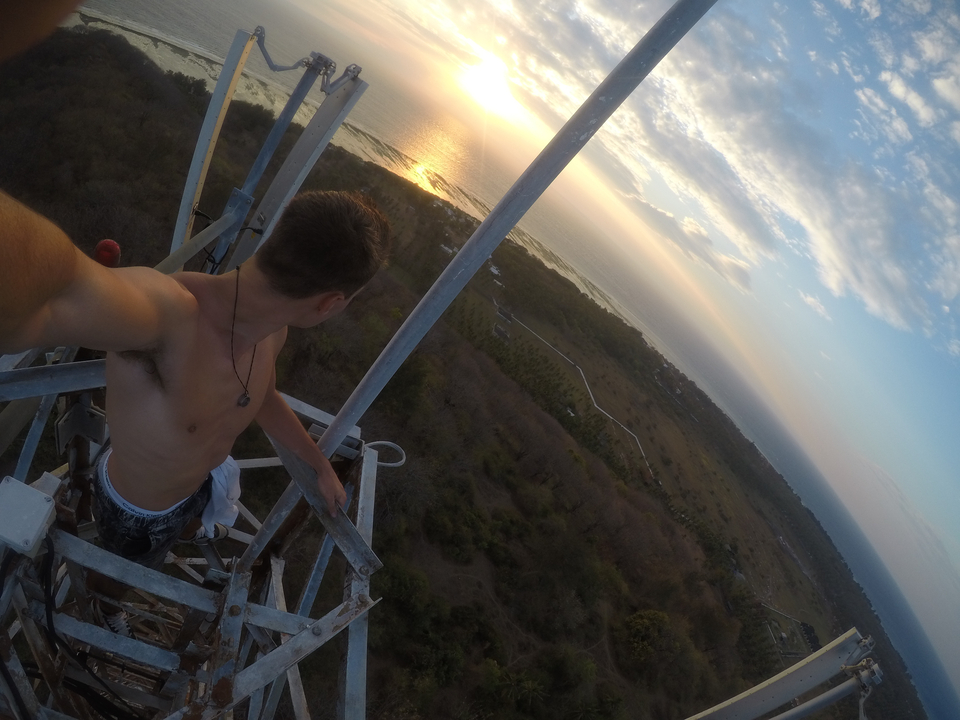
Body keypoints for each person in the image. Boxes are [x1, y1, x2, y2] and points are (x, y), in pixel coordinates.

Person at [0, 189, 391, 631]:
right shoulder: (169, 313)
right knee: (122, 573)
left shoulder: (271, 332)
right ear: (331, 303)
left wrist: (317, 462)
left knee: (197, 504)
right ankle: (104, 609)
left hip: (191, 487)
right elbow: (51, 296)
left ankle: (190, 526)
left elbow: (261, 395)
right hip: (135, 511)